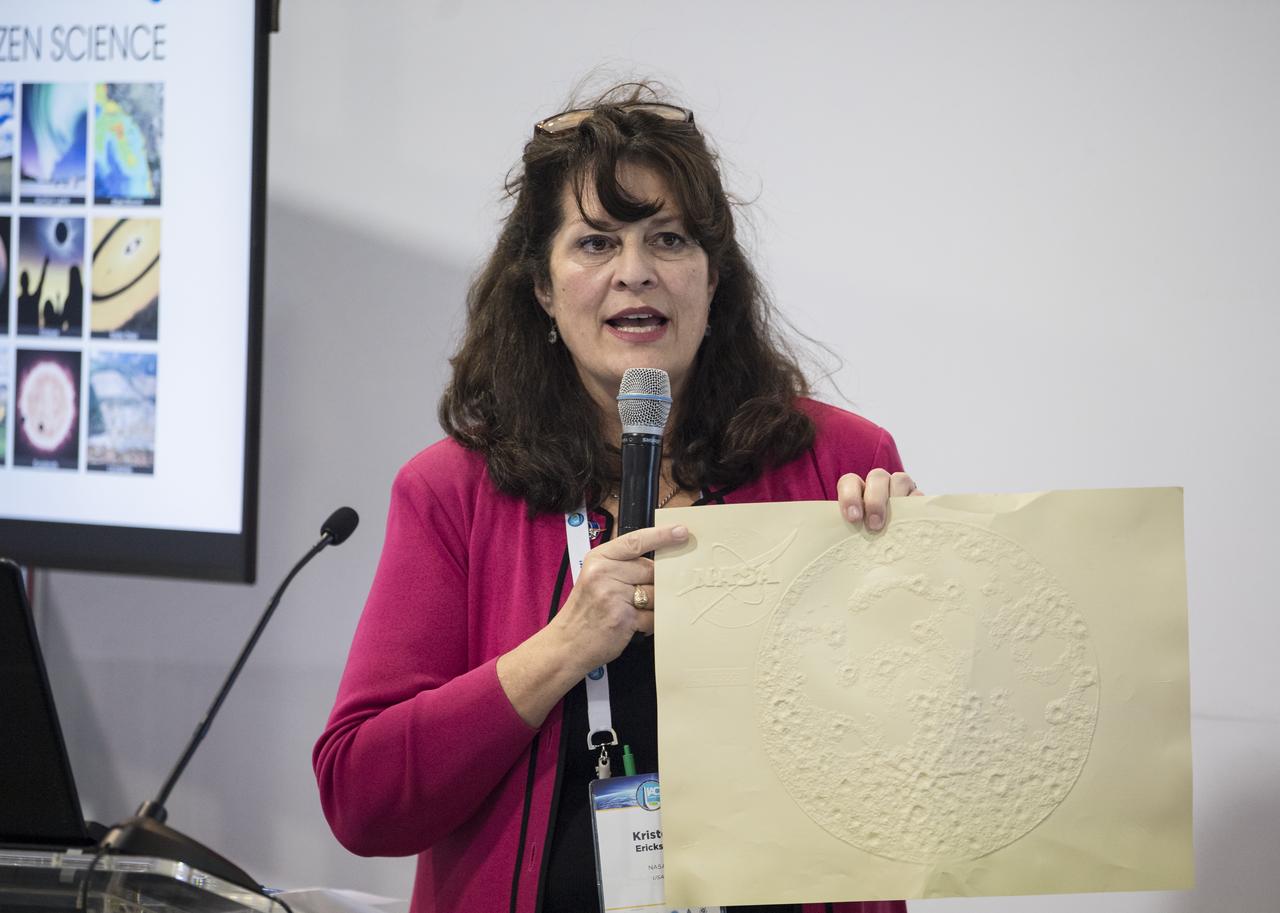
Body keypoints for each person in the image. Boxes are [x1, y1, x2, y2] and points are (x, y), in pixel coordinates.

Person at [314, 85, 917, 913]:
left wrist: (914, 593)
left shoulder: (838, 465)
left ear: (714, 277)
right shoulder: (453, 491)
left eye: (668, 239)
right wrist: (562, 647)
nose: (635, 272)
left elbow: (922, 758)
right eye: (596, 242)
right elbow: (362, 794)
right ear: (540, 287)